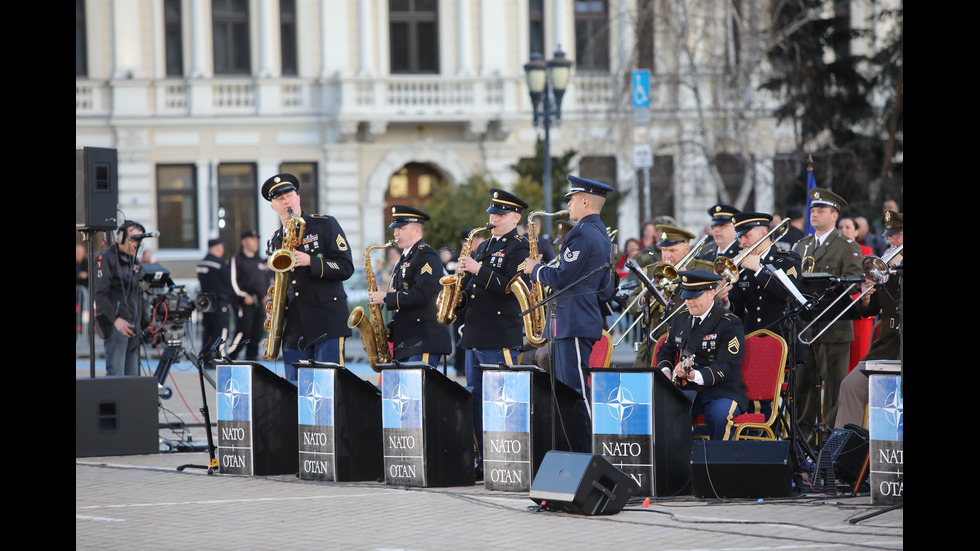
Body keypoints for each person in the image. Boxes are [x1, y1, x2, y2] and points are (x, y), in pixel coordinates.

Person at [523, 175, 616, 452]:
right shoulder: (598, 233)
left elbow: (563, 277)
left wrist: (535, 269)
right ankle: (574, 453)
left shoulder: (582, 233)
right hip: (574, 321)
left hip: (573, 323)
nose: (569, 205)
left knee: (576, 393)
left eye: (572, 199)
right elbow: (604, 288)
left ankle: (589, 454)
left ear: (585, 201)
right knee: (568, 394)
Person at [456, 189, 530, 470]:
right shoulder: (485, 246)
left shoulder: (519, 247)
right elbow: (474, 290)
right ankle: (483, 458)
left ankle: (507, 459)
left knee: (502, 401)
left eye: (500, 214)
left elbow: (511, 287)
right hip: (475, 333)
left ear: (515, 217)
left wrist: (477, 270)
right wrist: (459, 298)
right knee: (475, 399)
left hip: (499, 334)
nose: (493, 218)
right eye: (492, 213)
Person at [262, 173, 355, 382]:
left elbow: (346, 267)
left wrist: (311, 261)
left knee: (330, 386)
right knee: (296, 389)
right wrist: (275, 305)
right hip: (295, 327)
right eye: (280, 199)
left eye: (289, 195)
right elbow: (279, 282)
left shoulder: (324, 225)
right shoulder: (275, 240)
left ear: (298, 198)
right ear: (273, 207)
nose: (286, 201)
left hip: (327, 321)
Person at [793, 188, 863, 442]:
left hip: (834, 327)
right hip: (806, 327)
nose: (814, 215)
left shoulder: (847, 246)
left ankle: (833, 441)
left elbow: (855, 283)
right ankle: (802, 438)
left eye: (820, 211)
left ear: (834, 216)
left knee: (834, 389)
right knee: (803, 387)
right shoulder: (802, 245)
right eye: (812, 210)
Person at [655, 270, 748, 440]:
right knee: (663, 413)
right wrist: (666, 373)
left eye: (694, 297)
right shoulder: (681, 319)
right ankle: (677, 463)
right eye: (686, 296)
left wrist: (694, 375)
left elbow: (726, 366)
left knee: (719, 416)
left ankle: (719, 464)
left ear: (711, 293)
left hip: (722, 391)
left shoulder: (729, 323)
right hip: (689, 391)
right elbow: (665, 351)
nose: (688, 301)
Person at [835, 210, 903, 429]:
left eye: (897, 234)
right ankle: (843, 454)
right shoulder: (889, 268)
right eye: (889, 235)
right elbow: (869, 311)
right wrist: (865, 297)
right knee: (850, 385)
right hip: (888, 348)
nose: (891, 240)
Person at [721, 212, 806, 383]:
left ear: (763, 233)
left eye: (747, 236)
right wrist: (726, 302)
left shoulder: (787, 259)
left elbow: (788, 295)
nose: (742, 242)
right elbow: (738, 308)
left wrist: (759, 270)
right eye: (740, 237)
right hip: (752, 340)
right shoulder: (742, 265)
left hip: (781, 339)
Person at [368, 205, 452, 368]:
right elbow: (405, 304)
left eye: (401, 228)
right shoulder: (405, 259)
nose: (395, 233)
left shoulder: (426, 255)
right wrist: (391, 327)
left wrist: (385, 297)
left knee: (418, 390)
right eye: (395, 229)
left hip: (424, 338)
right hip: (407, 340)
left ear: (417, 231)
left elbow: (422, 294)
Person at [93, 221, 151, 376]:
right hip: (116, 326)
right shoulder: (105, 258)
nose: (135, 244)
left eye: (138, 240)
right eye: (132, 239)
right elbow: (99, 294)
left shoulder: (133, 262)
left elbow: (138, 294)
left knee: (132, 376)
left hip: (134, 326)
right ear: (120, 238)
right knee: (116, 374)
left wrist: (146, 322)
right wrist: (115, 320)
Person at [229, 229, 273, 361]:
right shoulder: (237, 260)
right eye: (252, 239)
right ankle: (230, 356)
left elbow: (267, 280)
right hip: (245, 303)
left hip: (260, 303)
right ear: (244, 242)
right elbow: (233, 282)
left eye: (257, 239)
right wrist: (243, 296)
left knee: (257, 334)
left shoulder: (259, 260)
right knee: (244, 332)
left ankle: (251, 360)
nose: (256, 242)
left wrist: (267, 295)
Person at [838, 217, 874, 372]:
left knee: (859, 357)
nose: (844, 230)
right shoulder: (836, 252)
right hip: (839, 310)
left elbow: (868, 278)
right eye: (840, 227)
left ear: (856, 231)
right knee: (840, 362)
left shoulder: (865, 251)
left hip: (858, 308)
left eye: (848, 227)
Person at [196, 238, 235, 355]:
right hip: (220, 301)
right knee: (221, 331)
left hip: (206, 301)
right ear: (218, 248)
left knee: (207, 331)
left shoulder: (201, 263)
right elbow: (229, 282)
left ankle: (206, 357)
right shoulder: (220, 263)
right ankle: (219, 356)